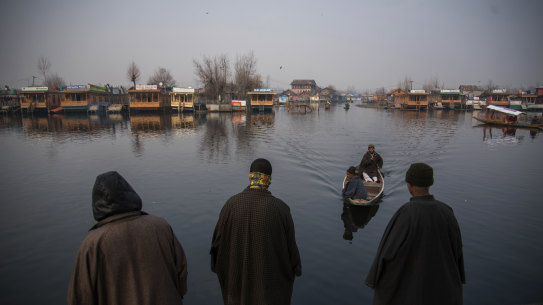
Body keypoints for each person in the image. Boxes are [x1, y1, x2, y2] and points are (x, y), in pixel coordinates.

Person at [67, 171, 188, 305]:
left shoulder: (92, 244)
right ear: (130, 194)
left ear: (97, 204)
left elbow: (80, 297)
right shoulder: (161, 226)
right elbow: (181, 272)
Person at [365, 163, 465, 305]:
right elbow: (457, 251)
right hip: (445, 292)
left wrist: (373, 279)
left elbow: (386, 253)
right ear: (429, 183)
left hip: (410, 294)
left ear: (409, 185)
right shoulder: (447, 212)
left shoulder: (406, 214)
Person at [210, 158, 302, 305]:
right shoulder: (281, 209)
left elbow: (216, 244)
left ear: (251, 176)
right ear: (269, 179)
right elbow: (292, 251)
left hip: (236, 290)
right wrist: (296, 269)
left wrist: (217, 266)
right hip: (269, 294)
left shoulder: (230, 205)